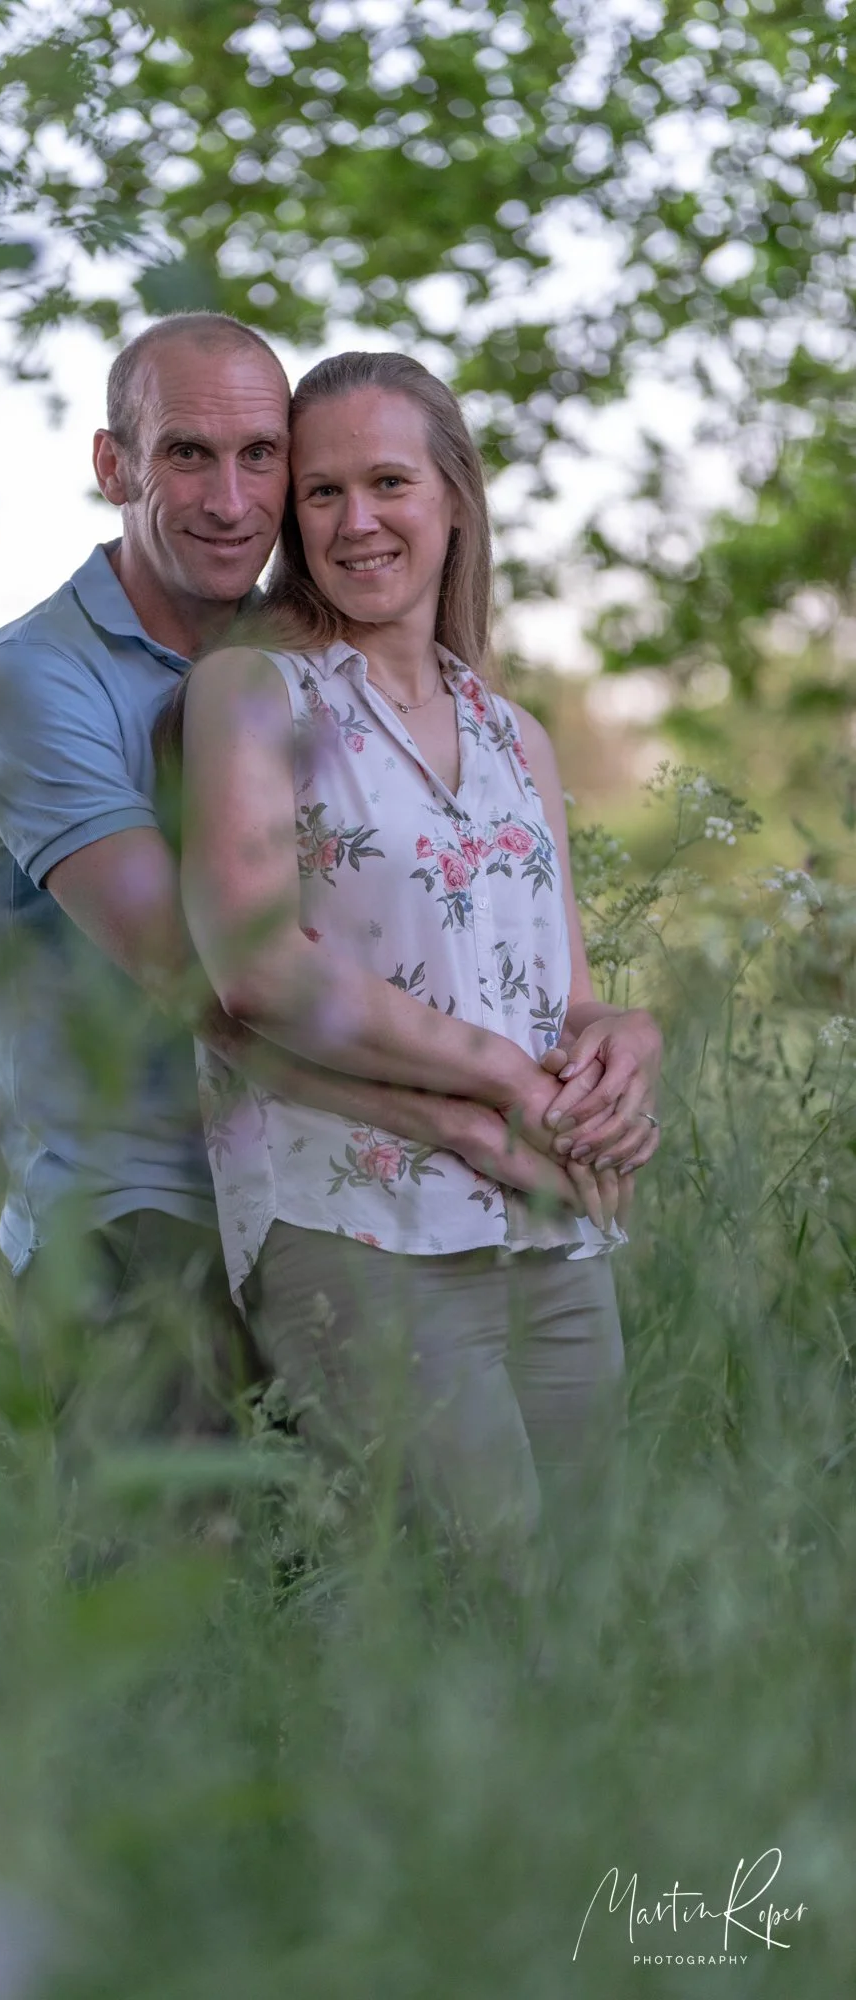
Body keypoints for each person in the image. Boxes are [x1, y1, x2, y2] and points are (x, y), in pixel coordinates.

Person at [0, 315, 616, 1463]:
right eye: (187, 454)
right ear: (114, 465)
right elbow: (214, 989)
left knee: (363, 1559)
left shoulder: (319, 676)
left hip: (332, 1191)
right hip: (142, 1212)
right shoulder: (39, 680)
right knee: (185, 1559)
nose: (230, 499)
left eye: (261, 456)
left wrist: (614, 1037)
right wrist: (474, 1114)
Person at [169, 349, 662, 1573]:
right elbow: (254, 970)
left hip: (549, 1222)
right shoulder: (253, 693)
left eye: (388, 481)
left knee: (588, 1593)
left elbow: (562, 990)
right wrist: (505, 1078)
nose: (357, 521)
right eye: (322, 493)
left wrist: (621, 1039)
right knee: (489, 1587)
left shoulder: (514, 732)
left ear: (453, 498)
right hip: (356, 1220)